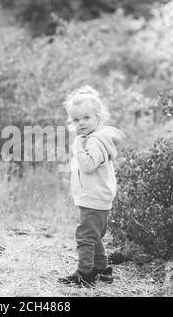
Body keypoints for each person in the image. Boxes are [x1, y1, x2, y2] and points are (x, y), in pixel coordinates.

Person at [58, 85, 125, 287]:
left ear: (99, 118)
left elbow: (87, 165)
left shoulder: (93, 141)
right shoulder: (93, 139)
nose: (81, 123)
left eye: (86, 118)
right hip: (95, 197)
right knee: (94, 236)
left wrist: (78, 145)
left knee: (85, 236)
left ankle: (84, 274)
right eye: (76, 120)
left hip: (94, 198)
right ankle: (103, 270)